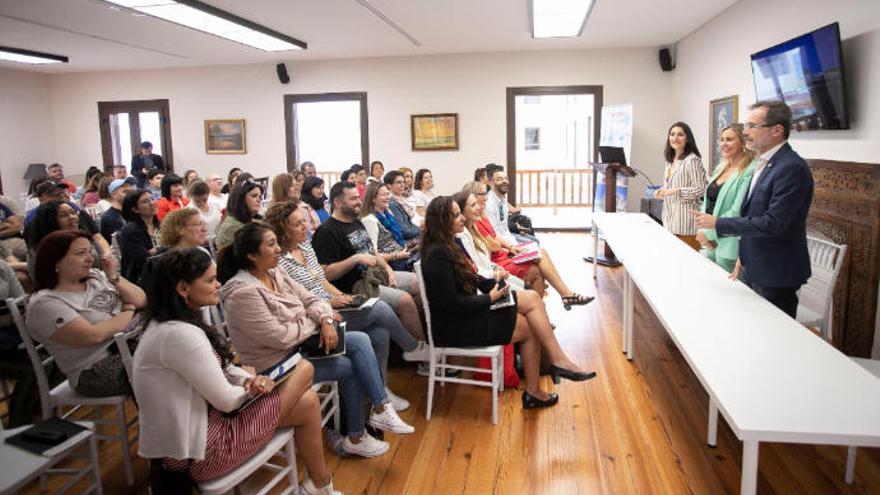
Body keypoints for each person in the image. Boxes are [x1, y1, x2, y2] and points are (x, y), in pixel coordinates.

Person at [132, 249, 342, 494]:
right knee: (304, 369)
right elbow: (228, 401)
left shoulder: (171, 325)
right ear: (182, 288)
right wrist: (256, 388)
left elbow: (224, 368)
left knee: (306, 401)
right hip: (205, 453)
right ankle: (321, 485)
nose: (218, 284)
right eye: (210, 280)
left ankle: (320, 484)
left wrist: (251, 379)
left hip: (201, 434)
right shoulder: (179, 334)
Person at [217, 223, 414, 457]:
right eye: (271, 244)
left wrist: (326, 320)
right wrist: (317, 322)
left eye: (277, 242)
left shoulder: (274, 272)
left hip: (299, 350)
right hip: (275, 367)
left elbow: (311, 298)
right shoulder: (242, 293)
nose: (279, 248)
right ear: (251, 255)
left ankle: (378, 410)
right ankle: (360, 429)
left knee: (362, 339)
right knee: (355, 359)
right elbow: (280, 336)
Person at [420, 197, 596, 409]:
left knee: (531, 303)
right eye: (457, 215)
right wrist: (490, 298)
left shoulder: (447, 245)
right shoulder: (437, 255)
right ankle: (545, 378)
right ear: (442, 220)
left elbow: (470, 278)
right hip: (456, 327)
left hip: (468, 313)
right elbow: (451, 304)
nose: (462, 218)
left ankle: (550, 371)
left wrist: (491, 283)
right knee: (531, 325)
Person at [265, 201, 429, 409]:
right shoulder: (279, 262)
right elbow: (295, 301)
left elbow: (321, 280)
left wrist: (342, 297)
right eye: (297, 225)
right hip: (314, 317)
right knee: (380, 308)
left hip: (329, 303)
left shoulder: (305, 246)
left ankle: (380, 391)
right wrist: (328, 302)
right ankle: (413, 347)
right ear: (282, 229)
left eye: (304, 222)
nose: (305, 227)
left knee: (379, 332)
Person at [695, 100, 813, 318]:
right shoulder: (764, 162)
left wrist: (717, 224)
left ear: (777, 130)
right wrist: (744, 257)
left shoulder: (791, 168)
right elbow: (752, 214)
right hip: (754, 263)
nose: (745, 132)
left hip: (775, 271)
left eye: (751, 126)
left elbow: (773, 223)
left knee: (772, 339)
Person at [26, 230, 146, 397]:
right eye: (80, 253)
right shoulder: (45, 303)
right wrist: (128, 311)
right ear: (55, 261)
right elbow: (94, 335)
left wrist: (113, 277)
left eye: (90, 251)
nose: (90, 258)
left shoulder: (95, 276)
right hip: (97, 368)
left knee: (183, 337)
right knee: (168, 361)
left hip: (132, 344)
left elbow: (141, 300)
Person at [312, 182, 426, 343]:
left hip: (375, 274)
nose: (359, 201)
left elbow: (373, 252)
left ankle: (424, 338)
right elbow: (325, 274)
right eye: (353, 199)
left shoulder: (356, 222)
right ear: (338, 203)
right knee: (405, 300)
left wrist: (387, 268)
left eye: (358, 197)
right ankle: (418, 349)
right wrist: (354, 260)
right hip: (356, 286)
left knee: (418, 282)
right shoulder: (327, 231)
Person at [463, 181, 593, 308]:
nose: (486, 196)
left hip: (504, 254)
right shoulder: (475, 220)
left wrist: (511, 247)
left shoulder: (483, 216)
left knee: (540, 252)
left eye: (486, 193)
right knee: (537, 269)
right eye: (483, 194)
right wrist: (504, 246)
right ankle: (557, 300)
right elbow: (493, 246)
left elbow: (496, 237)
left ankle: (557, 300)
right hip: (498, 262)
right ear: (473, 196)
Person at [695, 124, 756, 273]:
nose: (723, 144)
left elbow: (737, 211)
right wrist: (704, 232)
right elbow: (707, 203)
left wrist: (709, 233)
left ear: (742, 142)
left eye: (729, 139)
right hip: (709, 240)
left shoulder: (750, 170)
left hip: (730, 245)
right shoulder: (720, 168)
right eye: (721, 140)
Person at [452, 190, 525, 289]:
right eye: (473, 205)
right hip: (486, 281)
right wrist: (494, 273)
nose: (478, 207)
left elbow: (485, 260)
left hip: (492, 272)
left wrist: (495, 267)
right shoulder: (462, 236)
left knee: (527, 287)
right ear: (462, 211)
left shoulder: (473, 228)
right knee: (530, 289)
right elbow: (476, 269)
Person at [654, 121, 707, 250]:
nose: (675, 138)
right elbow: (672, 185)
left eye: (680, 135)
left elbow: (701, 190)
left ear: (687, 139)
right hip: (669, 222)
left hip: (686, 225)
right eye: (672, 134)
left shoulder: (692, 160)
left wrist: (675, 191)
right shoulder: (670, 160)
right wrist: (662, 191)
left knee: (686, 267)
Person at [25, 200, 110, 278]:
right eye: (64, 215)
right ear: (51, 221)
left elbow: (104, 262)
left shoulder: (86, 239)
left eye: (73, 213)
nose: (72, 217)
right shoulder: (40, 249)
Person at [360, 182, 412, 271]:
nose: (388, 197)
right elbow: (372, 254)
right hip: (391, 264)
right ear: (373, 198)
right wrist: (396, 256)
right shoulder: (369, 220)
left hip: (401, 255)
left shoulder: (387, 214)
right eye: (383, 195)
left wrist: (408, 246)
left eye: (388, 194)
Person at [483, 170, 537, 245]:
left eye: (506, 178)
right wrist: (514, 245)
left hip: (507, 236)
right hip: (501, 242)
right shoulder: (489, 203)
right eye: (500, 179)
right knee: (534, 243)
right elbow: (494, 233)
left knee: (534, 240)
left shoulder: (503, 199)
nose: (504, 181)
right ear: (491, 183)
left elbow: (505, 228)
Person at [118, 189, 159, 282]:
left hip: (160, 271)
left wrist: (155, 251)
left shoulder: (160, 225)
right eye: (145, 201)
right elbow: (143, 260)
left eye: (152, 199)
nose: (152, 203)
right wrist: (161, 249)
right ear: (135, 209)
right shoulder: (130, 230)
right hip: (140, 277)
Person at [215, 179, 263, 250]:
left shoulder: (242, 219)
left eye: (260, 196)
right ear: (241, 199)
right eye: (254, 196)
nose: (259, 200)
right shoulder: (233, 226)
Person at [382, 170, 421, 238]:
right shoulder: (391, 203)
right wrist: (421, 229)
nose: (402, 185)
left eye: (403, 182)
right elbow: (404, 230)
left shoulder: (402, 200)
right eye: (398, 182)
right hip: (408, 240)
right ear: (389, 186)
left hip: (415, 233)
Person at [99, 177, 137, 242]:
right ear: (113, 195)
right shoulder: (111, 218)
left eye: (132, 192)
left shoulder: (131, 211)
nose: (131, 195)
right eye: (126, 192)